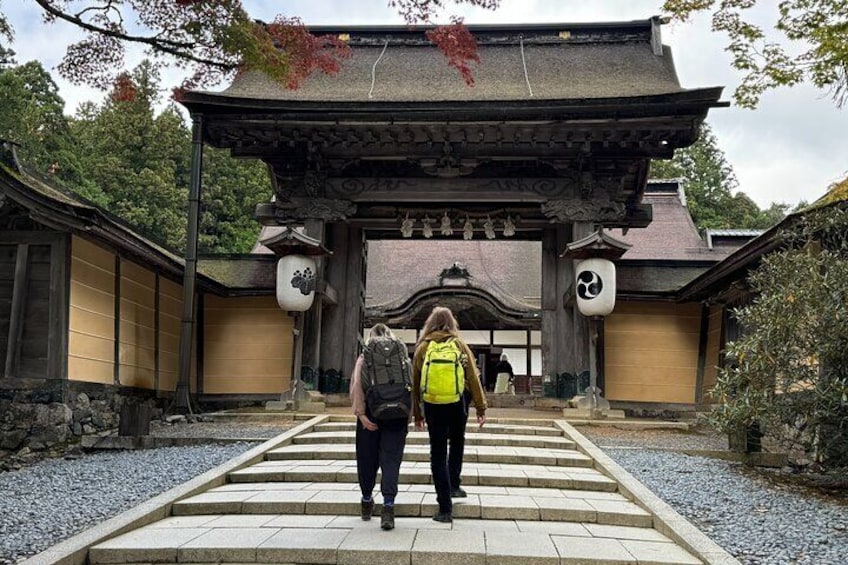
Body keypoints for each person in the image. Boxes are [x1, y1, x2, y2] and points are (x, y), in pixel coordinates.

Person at [412, 306, 487, 523]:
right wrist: (481, 407)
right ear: (452, 323)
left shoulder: (423, 347)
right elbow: (473, 377)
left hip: (433, 403)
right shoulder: (460, 345)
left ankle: (445, 508)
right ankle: (454, 484)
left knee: (437, 451)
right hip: (458, 401)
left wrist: (417, 413)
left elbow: (415, 383)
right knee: (457, 441)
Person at [350, 323, 410, 531]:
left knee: (367, 460)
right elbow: (410, 383)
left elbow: (358, 384)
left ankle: (367, 502)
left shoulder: (365, 355)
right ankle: (388, 508)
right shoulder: (401, 354)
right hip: (397, 416)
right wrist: (408, 414)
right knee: (391, 462)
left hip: (371, 415)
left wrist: (361, 414)